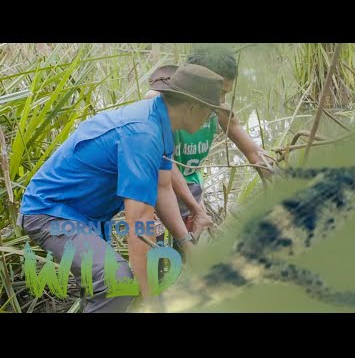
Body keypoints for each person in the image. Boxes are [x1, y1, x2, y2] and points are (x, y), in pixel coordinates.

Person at [16, 64, 229, 313]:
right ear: (193, 107)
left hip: (86, 217)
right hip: (51, 213)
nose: (209, 120)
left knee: (105, 289)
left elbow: (163, 190)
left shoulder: (160, 122)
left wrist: (186, 243)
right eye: (210, 113)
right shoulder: (143, 134)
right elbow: (139, 223)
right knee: (115, 282)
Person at [145, 47, 275, 243]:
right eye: (220, 91)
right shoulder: (160, 102)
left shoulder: (219, 108)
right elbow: (165, 163)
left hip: (192, 188)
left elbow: (253, 153)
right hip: (157, 190)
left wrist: (279, 174)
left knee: (189, 252)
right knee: (159, 259)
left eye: (226, 93)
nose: (222, 100)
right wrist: (195, 208)